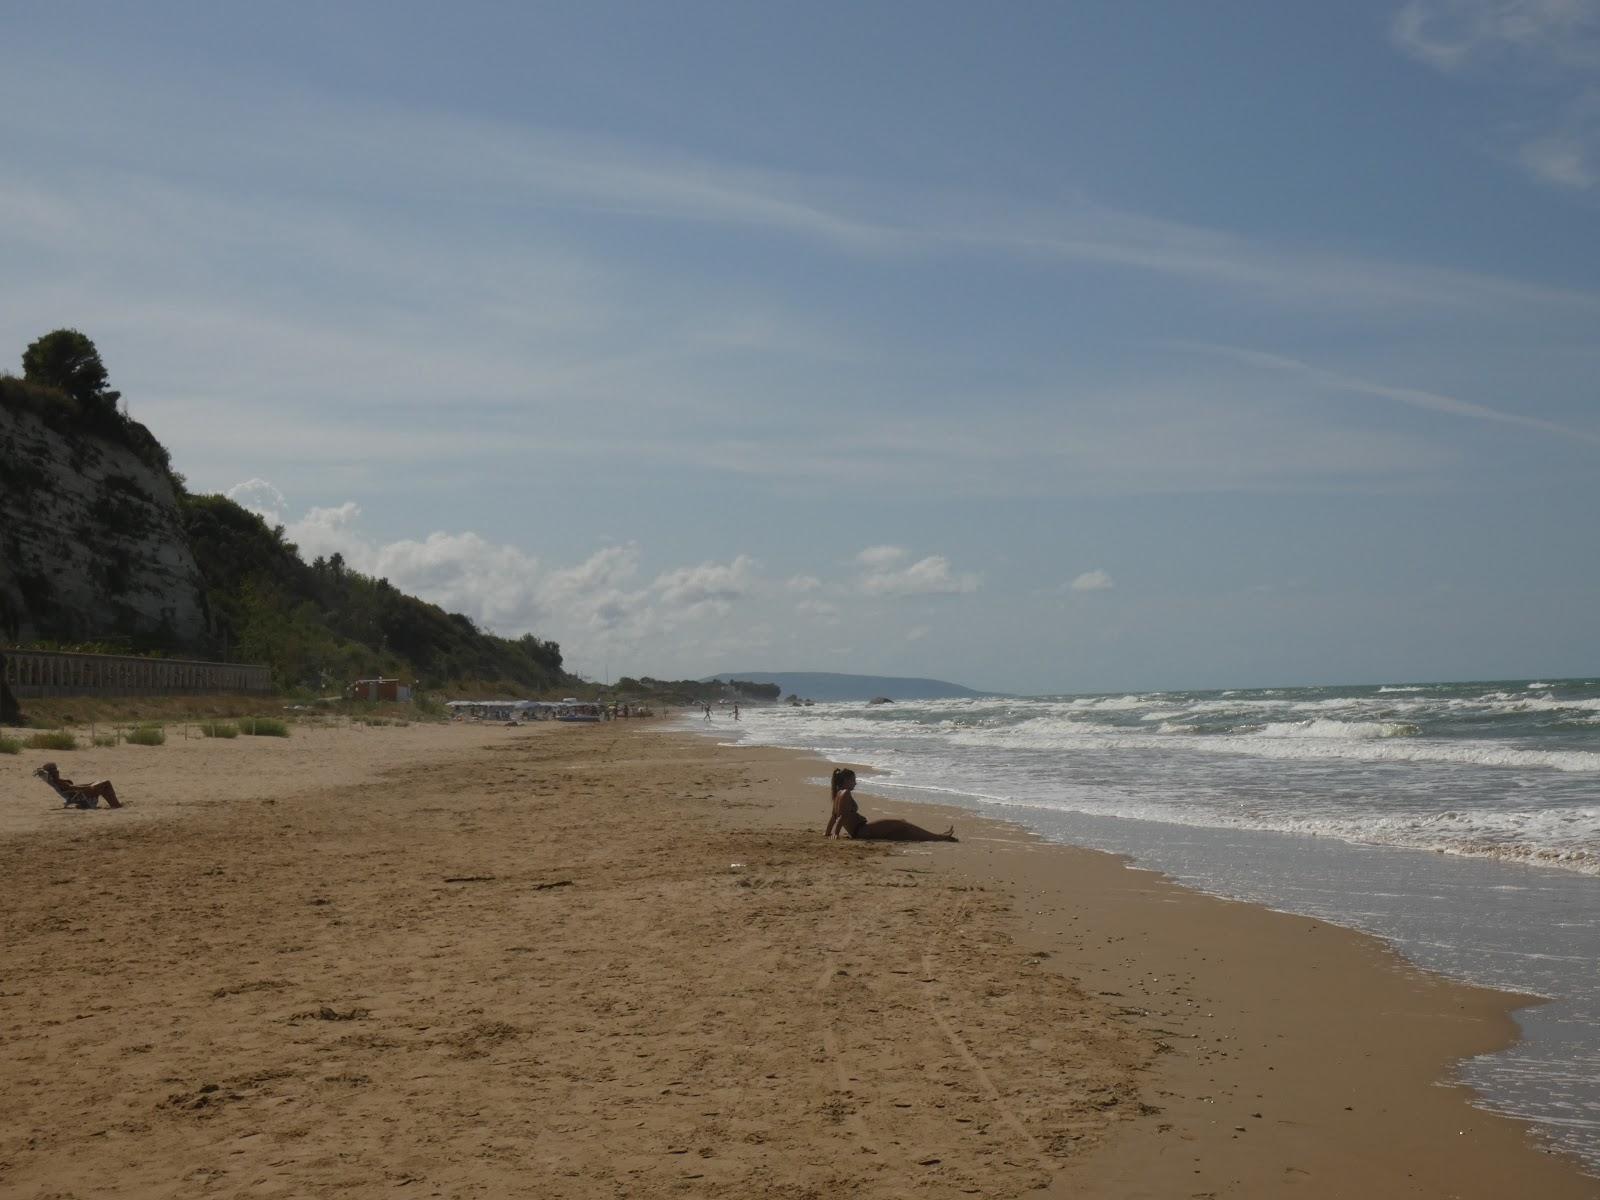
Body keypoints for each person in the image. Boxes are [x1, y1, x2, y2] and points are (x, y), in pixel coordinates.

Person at [824, 768, 955, 842]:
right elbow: (842, 816)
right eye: (853, 780)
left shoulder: (837, 794)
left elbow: (833, 817)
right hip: (863, 830)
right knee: (902, 824)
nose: (855, 783)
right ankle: (939, 837)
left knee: (900, 831)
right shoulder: (845, 793)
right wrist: (836, 834)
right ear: (846, 781)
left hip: (860, 831)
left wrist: (827, 833)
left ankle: (935, 837)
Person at [34, 763, 122, 809]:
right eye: (56, 771)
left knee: (103, 784)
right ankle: (116, 804)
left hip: (78, 795)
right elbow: (71, 788)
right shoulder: (58, 781)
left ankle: (114, 804)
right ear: (53, 773)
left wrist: (89, 784)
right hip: (81, 797)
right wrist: (88, 787)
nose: (58, 772)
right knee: (106, 783)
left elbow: (73, 787)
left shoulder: (58, 781)